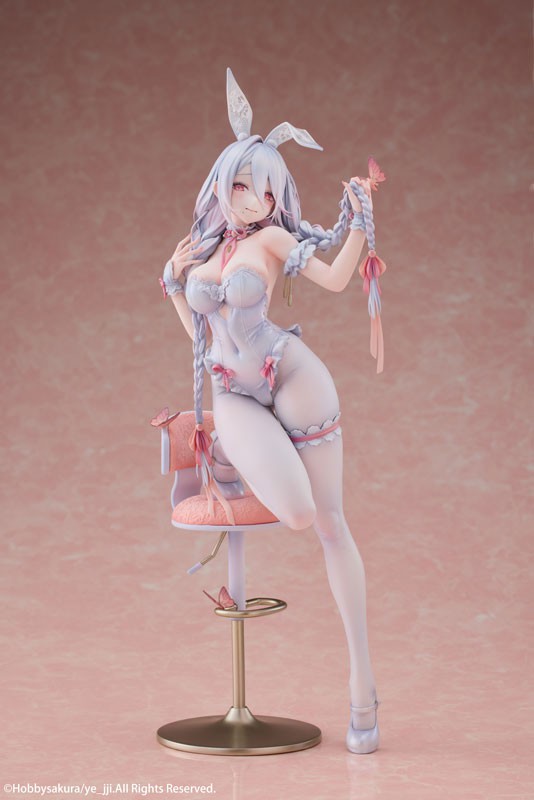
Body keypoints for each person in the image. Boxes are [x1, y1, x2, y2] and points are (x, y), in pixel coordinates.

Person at [159, 69, 386, 754]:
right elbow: (203, 339)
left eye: (261, 190)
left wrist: (360, 222)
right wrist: (175, 282)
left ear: (274, 197)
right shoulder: (205, 249)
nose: (248, 199)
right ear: (219, 184)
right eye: (236, 185)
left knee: (331, 525)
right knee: (298, 512)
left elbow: (336, 279)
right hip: (234, 391)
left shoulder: (275, 242)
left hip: (292, 376)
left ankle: (362, 682)